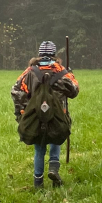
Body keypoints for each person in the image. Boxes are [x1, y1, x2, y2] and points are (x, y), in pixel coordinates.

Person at [11, 41, 79, 188]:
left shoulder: (29, 72)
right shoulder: (61, 71)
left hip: (36, 116)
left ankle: (38, 182)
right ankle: (54, 169)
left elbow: (16, 92)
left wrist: (22, 113)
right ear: (54, 55)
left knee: (39, 149)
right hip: (58, 116)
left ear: (39, 54)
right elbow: (74, 91)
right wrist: (70, 74)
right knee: (56, 140)